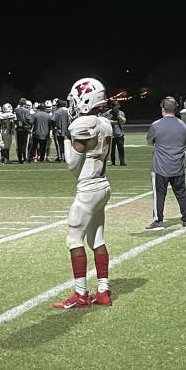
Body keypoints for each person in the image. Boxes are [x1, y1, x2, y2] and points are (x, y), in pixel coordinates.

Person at [53, 78, 113, 309]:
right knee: (97, 238)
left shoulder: (84, 123)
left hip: (88, 188)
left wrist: (66, 138)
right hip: (102, 184)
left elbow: (71, 164)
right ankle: (103, 290)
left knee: (73, 239)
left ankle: (80, 294)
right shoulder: (105, 122)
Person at [145, 96, 186, 230]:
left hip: (160, 166)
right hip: (177, 165)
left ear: (163, 109)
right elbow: (184, 142)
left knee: (159, 194)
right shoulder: (182, 125)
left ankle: (158, 221)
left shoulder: (156, 125)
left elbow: (150, 141)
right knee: (181, 192)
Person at [14, 98, 32, 164]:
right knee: (25, 145)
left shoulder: (16, 110)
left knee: (19, 145)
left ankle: (20, 158)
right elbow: (29, 120)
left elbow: (15, 119)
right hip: (25, 129)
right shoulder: (27, 111)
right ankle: (25, 158)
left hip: (19, 128)